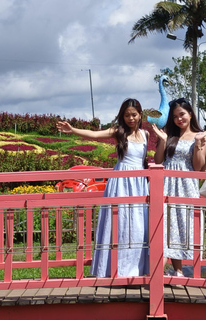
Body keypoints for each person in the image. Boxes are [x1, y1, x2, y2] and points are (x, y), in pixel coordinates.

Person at [56, 98, 149, 277]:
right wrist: (73, 129)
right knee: (119, 224)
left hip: (139, 183)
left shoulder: (146, 134)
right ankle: (113, 270)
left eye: (134, 115)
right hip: (121, 183)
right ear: (123, 116)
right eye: (127, 115)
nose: (131, 118)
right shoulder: (118, 131)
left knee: (138, 226)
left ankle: (137, 270)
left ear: (140, 115)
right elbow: (95, 134)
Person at [152, 98, 206, 279]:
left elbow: (198, 167)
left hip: (186, 185)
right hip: (167, 184)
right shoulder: (170, 135)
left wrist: (199, 145)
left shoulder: (200, 135)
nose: (179, 119)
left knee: (183, 225)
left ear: (190, 114)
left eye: (182, 114)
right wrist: (162, 141)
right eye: (176, 116)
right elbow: (158, 160)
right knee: (166, 225)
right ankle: (173, 272)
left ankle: (181, 271)